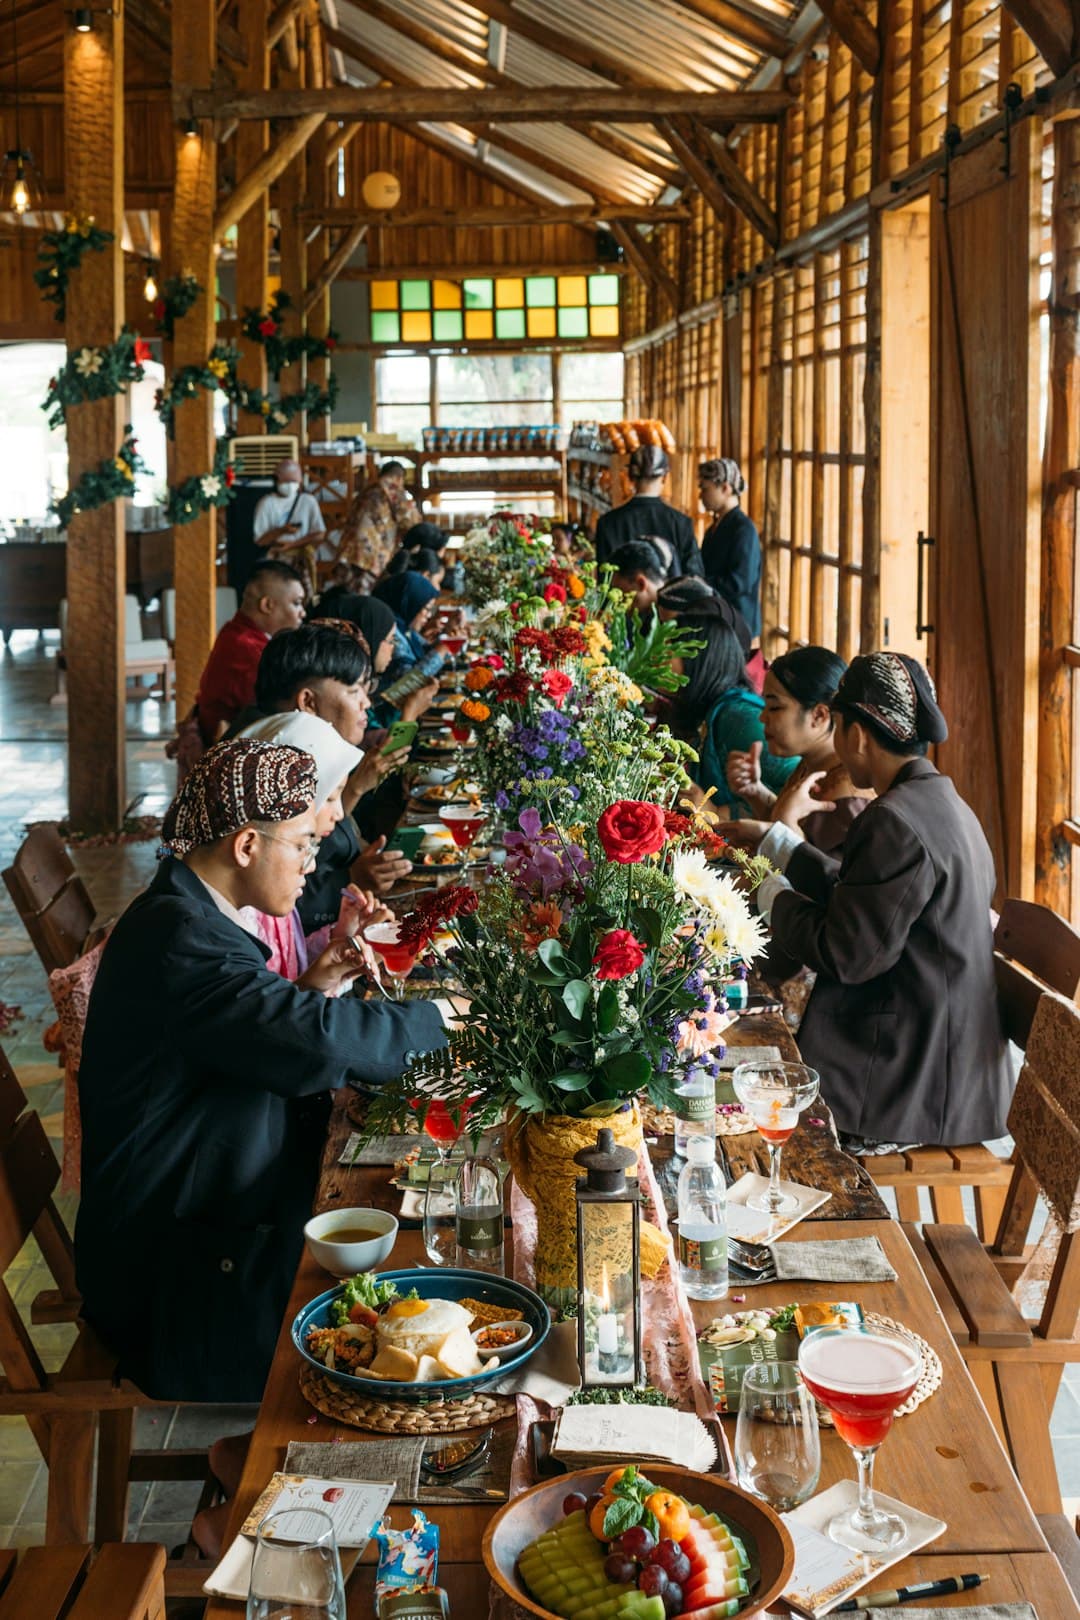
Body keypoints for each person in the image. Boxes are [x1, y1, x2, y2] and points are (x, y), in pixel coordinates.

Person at [74, 738, 449, 1402]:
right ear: (247, 845)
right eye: (304, 845)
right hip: (177, 1284)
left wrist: (316, 989)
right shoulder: (181, 941)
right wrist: (444, 1022)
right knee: (408, 1314)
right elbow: (313, 1045)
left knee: (404, 1232)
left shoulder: (186, 913)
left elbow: (264, 1033)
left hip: (206, 1221)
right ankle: (245, 1481)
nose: (313, 866)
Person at [755, 652, 1013, 1150]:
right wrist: (782, 847)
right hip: (949, 1068)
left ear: (856, 735)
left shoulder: (893, 819)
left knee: (749, 1091)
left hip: (914, 1080)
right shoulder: (943, 803)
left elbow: (846, 954)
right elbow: (870, 900)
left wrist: (770, 895)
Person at [246, 624, 414, 911]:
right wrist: (350, 878)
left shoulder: (312, 756)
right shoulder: (267, 767)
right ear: (308, 701)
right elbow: (276, 904)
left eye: (366, 688)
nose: (366, 703)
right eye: (353, 691)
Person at [723, 646, 872, 858]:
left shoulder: (845, 796)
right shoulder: (813, 764)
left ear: (819, 715)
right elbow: (784, 825)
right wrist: (756, 793)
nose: (762, 717)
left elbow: (824, 883)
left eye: (775, 708)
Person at [660, 588, 795, 814]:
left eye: (669, 651)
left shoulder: (740, 718)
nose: (659, 659)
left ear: (700, 659)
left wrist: (714, 810)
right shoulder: (706, 709)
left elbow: (792, 794)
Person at [194, 560, 305, 745]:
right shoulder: (246, 647)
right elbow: (277, 706)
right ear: (267, 605)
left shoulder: (238, 633)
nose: (303, 613)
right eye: (297, 603)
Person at [593, 445, 704, 578]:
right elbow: (694, 577)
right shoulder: (681, 523)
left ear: (630, 476)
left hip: (623, 598)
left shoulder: (607, 523)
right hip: (671, 598)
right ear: (664, 477)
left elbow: (604, 580)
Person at [698, 458, 762, 640]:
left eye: (705, 488)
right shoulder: (714, 528)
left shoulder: (744, 529)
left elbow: (740, 581)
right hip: (720, 617)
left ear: (725, 488)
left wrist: (701, 583)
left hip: (738, 622)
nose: (701, 495)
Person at [253, 458, 326, 597]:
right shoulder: (267, 503)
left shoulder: (308, 501)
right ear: (277, 481)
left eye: (293, 482)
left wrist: (293, 544)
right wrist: (281, 531)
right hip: (277, 558)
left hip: (301, 558)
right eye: (286, 482)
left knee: (303, 598)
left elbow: (319, 533)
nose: (290, 485)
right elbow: (260, 540)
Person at [336, 459, 419, 578]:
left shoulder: (366, 491)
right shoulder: (393, 489)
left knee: (348, 592)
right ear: (400, 478)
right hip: (370, 555)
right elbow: (410, 523)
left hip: (348, 551)